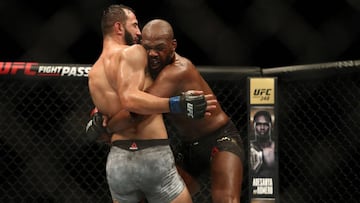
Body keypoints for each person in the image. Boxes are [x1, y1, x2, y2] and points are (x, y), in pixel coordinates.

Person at [87, 5, 215, 203]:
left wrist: (98, 120)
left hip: (118, 160)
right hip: (152, 153)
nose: (139, 33)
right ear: (119, 28)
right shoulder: (133, 52)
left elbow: (107, 120)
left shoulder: (94, 73)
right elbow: (130, 100)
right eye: (135, 25)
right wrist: (176, 103)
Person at [107, 19, 245, 203]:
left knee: (226, 200)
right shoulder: (143, 67)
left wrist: (107, 125)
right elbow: (122, 93)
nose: (152, 54)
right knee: (151, 193)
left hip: (220, 139)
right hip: (187, 147)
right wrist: (102, 111)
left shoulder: (178, 70)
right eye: (147, 48)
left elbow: (137, 111)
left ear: (173, 46)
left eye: (159, 48)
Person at [250, 110, 276, 177]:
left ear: (271, 126)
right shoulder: (248, 146)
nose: (262, 128)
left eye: (265, 124)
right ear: (254, 126)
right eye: (259, 124)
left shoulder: (275, 147)